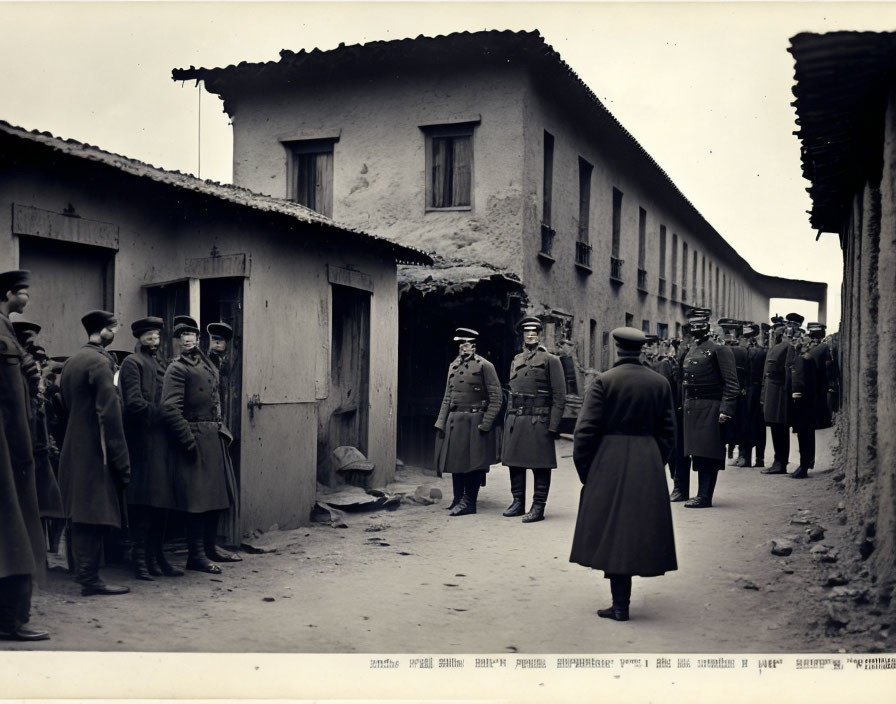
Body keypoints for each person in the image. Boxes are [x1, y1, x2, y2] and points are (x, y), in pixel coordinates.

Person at [570, 327, 677, 621]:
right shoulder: (659, 382)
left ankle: (620, 605)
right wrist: (656, 462)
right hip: (647, 461)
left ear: (617, 348)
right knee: (633, 531)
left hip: (609, 461)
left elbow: (584, 432)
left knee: (614, 531)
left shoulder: (604, 381)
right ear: (642, 349)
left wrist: (587, 471)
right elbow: (669, 433)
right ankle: (621, 605)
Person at [58, 309, 131, 596]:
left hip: (73, 444)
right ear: (103, 331)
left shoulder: (72, 361)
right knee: (93, 511)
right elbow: (109, 415)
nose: (115, 332)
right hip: (95, 448)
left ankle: (84, 573)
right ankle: (89, 579)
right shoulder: (102, 363)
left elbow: (64, 403)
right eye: (113, 328)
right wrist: (121, 460)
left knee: (80, 509)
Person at [161, 321, 236, 574]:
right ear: (175, 341)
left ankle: (210, 547)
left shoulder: (205, 363)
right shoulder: (177, 368)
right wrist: (187, 439)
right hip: (194, 437)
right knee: (197, 499)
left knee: (216, 496)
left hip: (212, 435)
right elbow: (170, 408)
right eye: (181, 335)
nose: (187, 339)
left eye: (191, 333)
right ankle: (196, 555)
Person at [0, 270, 49, 640]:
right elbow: (11, 400)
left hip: (13, 446)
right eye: (23, 292)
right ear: (8, 294)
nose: (28, 297)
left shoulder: (6, 331)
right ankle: (11, 620)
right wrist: (23, 449)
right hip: (10, 448)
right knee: (14, 529)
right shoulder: (2, 335)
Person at [119, 316, 182, 579]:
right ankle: (140, 558)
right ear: (139, 338)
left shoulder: (161, 363)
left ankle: (157, 556)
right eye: (149, 337)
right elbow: (133, 403)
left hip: (163, 442)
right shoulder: (132, 363)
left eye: (157, 337)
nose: (154, 341)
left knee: (163, 502)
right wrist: (163, 413)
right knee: (145, 501)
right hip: (144, 442)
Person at [500, 316, 566, 523]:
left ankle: (538, 506)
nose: (530, 335)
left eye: (534, 332)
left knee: (540, 464)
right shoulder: (516, 359)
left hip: (539, 419)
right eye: (527, 332)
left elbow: (559, 396)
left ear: (539, 335)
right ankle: (518, 501)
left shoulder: (550, 361)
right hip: (517, 418)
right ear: (523, 335)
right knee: (515, 462)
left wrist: (553, 425)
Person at [433, 328, 502, 516]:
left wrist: (486, 423)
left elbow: (497, 397)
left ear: (474, 346)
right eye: (461, 344)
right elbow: (448, 397)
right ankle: (457, 498)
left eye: (468, 344)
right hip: (455, 421)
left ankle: (469, 502)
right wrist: (441, 422)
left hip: (475, 421)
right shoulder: (453, 366)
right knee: (456, 461)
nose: (465, 348)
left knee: (474, 463)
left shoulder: (484, 366)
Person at [680, 309, 739, 508]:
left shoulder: (718, 350)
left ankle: (705, 496)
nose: (695, 328)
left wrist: (726, 409)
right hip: (693, 407)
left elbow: (731, 383)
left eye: (699, 325)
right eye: (692, 325)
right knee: (697, 453)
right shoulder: (691, 349)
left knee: (708, 452)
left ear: (707, 326)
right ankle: (700, 494)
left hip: (711, 407)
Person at [202, 322, 241, 562]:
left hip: (223, 433)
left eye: (221, 341)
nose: (216, 344)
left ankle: (210, 545)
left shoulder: (228, 365)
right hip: (209, 434)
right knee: (209, 493)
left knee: (221, 492)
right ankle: (206, 547)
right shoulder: (206, 365)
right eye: (213, 339)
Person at [760, 315, 799, 476]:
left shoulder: (787, 348)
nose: (773, 334)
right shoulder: (774, 347)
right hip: (771, 392)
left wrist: (788, 393)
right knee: (775, 428)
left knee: (780, 428)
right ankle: (778, 460)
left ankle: (781, 462)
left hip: (780, 393)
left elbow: (788, 372)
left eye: (776, 332)